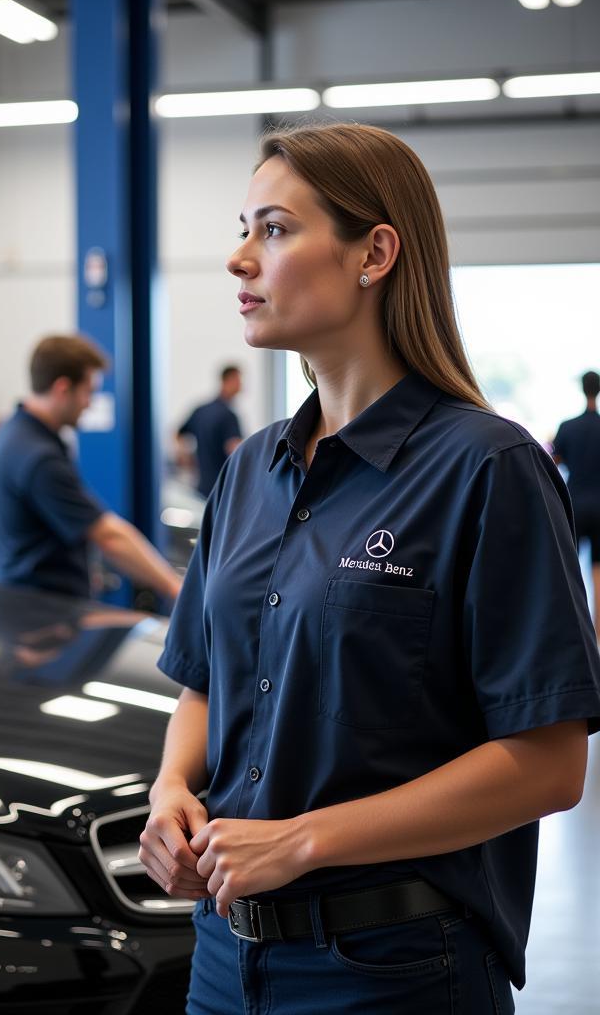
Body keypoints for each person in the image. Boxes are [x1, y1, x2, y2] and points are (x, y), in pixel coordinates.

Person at [138, 122, 600, 1015]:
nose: (239, 259)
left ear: (374, 253)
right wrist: (169, 790)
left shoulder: (485, 469)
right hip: (222, 964)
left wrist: (302, 841)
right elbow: (201, 682)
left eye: (272, 229)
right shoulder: (248, 470)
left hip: (393, 970)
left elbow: (548, 765)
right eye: (243, 228)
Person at [0, 334, 182, 602]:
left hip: (25, 606)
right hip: (43, 618)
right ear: (62, 389)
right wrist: (175, 587)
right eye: (88, 392)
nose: (89, 403)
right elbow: (110, 536)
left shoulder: (12, 432)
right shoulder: (39, 458)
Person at [552, 370, 600, 638]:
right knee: (598, 569)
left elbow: (553, 461)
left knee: (570, 567)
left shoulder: (568, 426)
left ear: (583, 389)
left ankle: (574, 629)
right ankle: (597, 634)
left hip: (574, 504)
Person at [176, 364, 244, 496]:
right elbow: (235, 450)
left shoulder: (201, 410)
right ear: (228, 381)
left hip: (201, 487)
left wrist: (185, 456)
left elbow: (178, 434)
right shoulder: (228, 415)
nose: (241, 386)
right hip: (223, 488)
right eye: (239, 381)